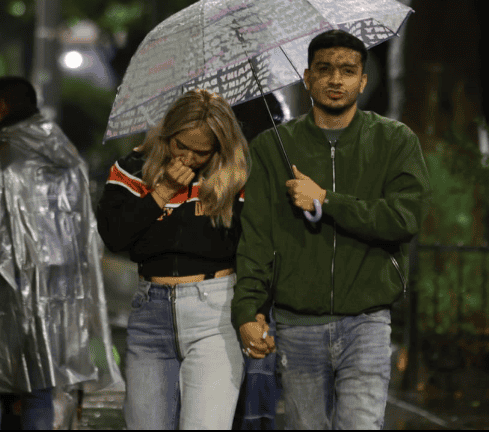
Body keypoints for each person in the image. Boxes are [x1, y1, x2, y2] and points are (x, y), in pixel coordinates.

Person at [231, 30, 431, 429]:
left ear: (363, 80)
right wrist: (246, 311)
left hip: (367, 322)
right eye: (324, 69)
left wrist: (326, 201)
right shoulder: (272, 148)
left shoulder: (394, 140)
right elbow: (256, 238)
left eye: (347, 70)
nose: (335, 80)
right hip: (296, 324)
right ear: (306, 78)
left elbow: (404, 219)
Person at [97, 89, 251, 429]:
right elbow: (116, 237)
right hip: (150, 309)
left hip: (216, 311)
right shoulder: (132, 168)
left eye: (201, 152)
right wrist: (162, 192)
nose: (188, 158)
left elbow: (249, 247)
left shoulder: (235, 175)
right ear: (167, 134)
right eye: (180, 145)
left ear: (219, 147)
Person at [0, 76, 109, 429]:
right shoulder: (63, 154)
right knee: (39, 387)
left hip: (2, 297)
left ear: (0, 107)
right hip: (55, 300)